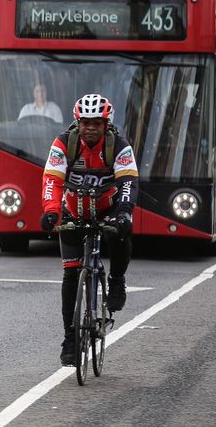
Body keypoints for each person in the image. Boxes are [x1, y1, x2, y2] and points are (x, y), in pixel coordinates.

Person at [39, 94, 138, 366]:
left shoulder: (118, 145)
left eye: (96, 123)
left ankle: (117, 279)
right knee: (71, 274)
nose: (90, 128)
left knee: (120, 233)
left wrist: (123, 213)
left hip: (108, 209)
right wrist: (51, 211)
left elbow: (128, 181)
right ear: (78, 123)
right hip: (74, 210)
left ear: (106, 124)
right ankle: (70, 338)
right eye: (85, 123)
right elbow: (52, 180)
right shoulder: (64, 144)